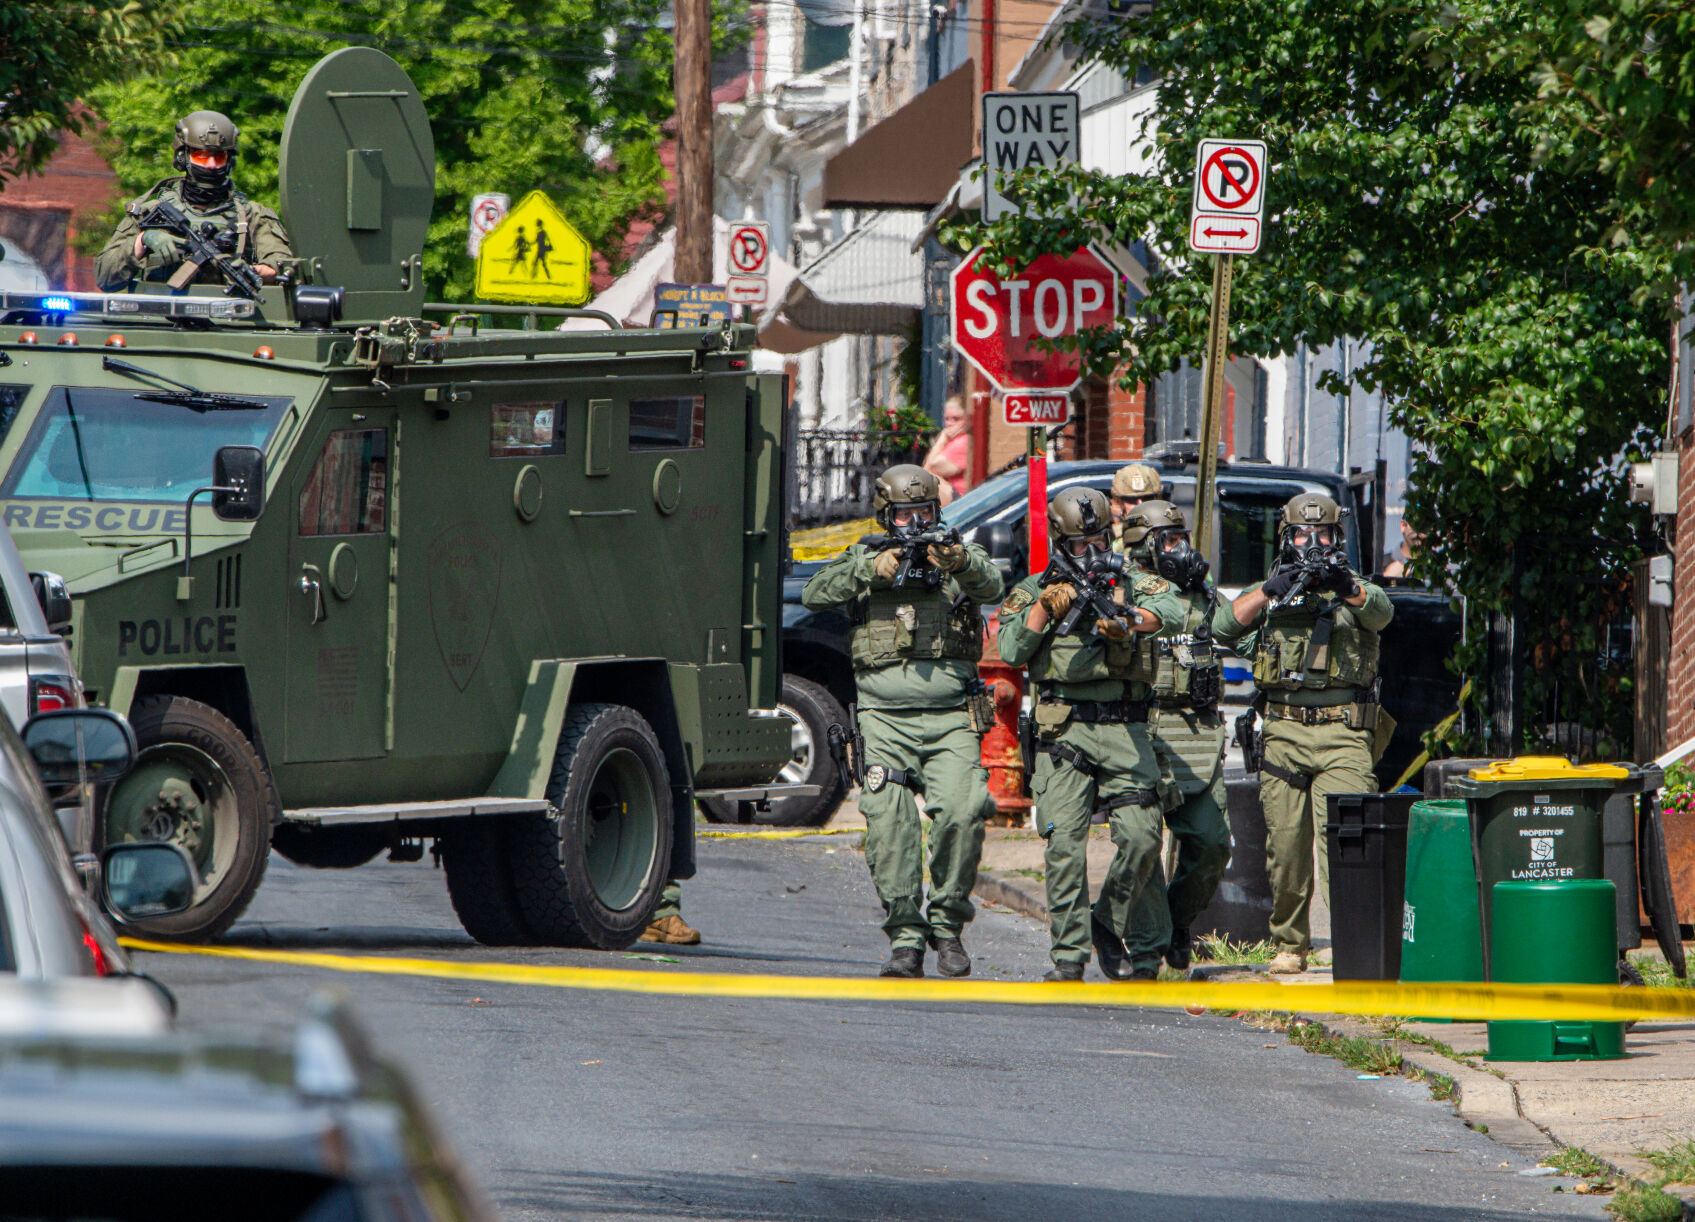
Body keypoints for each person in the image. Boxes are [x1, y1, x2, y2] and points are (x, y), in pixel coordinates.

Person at [800, 465, 1003, 978]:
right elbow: (815, 592)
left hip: (951, 716)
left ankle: (948, 927)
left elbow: (993, 582)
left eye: (925, 513)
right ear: (887, 516)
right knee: (891, 825)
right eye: (905, 515)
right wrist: (872, 571)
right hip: (883, 718)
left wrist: (957, 561)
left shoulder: (956, 554)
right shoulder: (867, 555)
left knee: (963, 810)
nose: (916, 524)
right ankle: (906, 938)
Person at [996, 487, 1182, 981]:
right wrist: (1044, 610)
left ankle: (1110, 922)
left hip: (1125, 726)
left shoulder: (1132, 580)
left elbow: (1175, 612)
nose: (1091, 552)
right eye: (1080, 544)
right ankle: (1069, 958)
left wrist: (1130, 621)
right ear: (1060, 542)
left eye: (1099, 540)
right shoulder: (1034, 588)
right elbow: (1011, 650)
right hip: (1064, 730)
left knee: (1143, 838)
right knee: (1063, 846)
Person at [1210, 493, 1394, 974]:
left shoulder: (1355, 590)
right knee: (1286, 849)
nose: (1312, 543)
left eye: (1323, 535)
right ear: (1286, 538)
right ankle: (1290, 943)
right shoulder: (1273, 592)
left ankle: (1349, 941)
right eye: (1301, 535)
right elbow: (1225, 626)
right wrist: (1271, 589)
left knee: (1345, 843)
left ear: (1338, 537)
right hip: (1284, 733)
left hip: (1343, 733)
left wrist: (1344, 585)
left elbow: (1381, 614)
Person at [1114, 499, 1232, 976]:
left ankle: (1177, 921)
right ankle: (1147, 949)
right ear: (1144, 547)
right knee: (1142, 841)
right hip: (1143, 724)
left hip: (1197, 730)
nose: (1180, 549)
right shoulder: (1125, 584)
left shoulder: (1196, 589)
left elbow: (1233, 628)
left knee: (1212, 844)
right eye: (1169, 540)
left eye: (1182, 538)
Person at [95, 111, 293, 293]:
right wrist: (143, 240)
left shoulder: (252, 216)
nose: (212, 165)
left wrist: (256, 271)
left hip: (229, 321)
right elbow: (105, 277)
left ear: (229, 161)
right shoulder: (149, 213)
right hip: (159, 322)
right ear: (183, 157)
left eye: (219, 157)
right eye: (202, 156)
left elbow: (285, 267)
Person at [922, 397, 973, 502]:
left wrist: (942, 438)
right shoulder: (953, 441)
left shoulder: (963, 441)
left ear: (968, 419)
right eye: (947, 419)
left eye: (956, 419)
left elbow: (927, 472)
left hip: (961, 500)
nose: (949, 424)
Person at [1108, 461, 1163, 548]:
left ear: (1158, 498)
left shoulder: (1170, 535)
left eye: (1147, 498)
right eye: (1131, 500)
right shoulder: (1110, 538)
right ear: (1119, 502)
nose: (1140, 504)